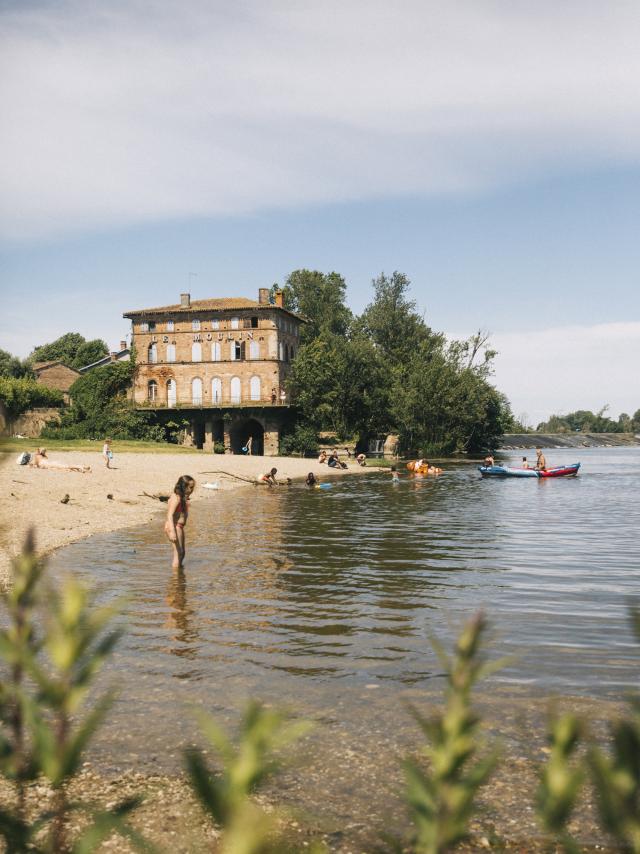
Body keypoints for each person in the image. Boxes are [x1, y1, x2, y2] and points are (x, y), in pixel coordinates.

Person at [164, 475, 195, 569]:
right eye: (190, 487)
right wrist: (172, 532)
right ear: (183, 486)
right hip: (174, 527)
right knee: (178, 554)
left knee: (182, 553)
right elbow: (169, 515)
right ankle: (175, 581)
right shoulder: (176, 498)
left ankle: (179, 575)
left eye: (193, 487)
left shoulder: (182, 498)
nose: (192, 490)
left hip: (179, 527)